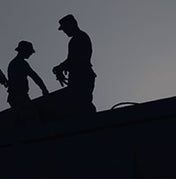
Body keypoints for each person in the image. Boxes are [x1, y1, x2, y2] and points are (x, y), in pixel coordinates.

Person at [52, 14, 96, 113]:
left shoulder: (79, 38)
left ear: (72, 25)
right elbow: (72, 60)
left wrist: (60, 68)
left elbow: (76, 59)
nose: (64, 31)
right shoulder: (77, 38)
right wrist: (61, 67)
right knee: (79, 106)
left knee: (82, 104)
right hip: (80, 76)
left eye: (65, 28)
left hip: (82, 76)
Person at [7, 40, 49, 108]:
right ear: (24, 51)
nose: (30, 54)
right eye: (29, 52)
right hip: (19, 97)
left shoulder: (13, 63)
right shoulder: (21, 63)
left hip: (15, 97)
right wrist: (44, 90)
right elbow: (35, 77)